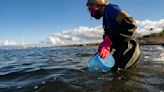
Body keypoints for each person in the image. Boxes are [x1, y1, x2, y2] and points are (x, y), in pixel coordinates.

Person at [86, 0, 140, 72]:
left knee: (119, 73)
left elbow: (130, 24)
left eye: (90, 9)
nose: (91, 13)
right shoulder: (105, 19)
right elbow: (113, 36)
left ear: (96, 5)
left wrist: (108, 41)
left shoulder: (110, 9)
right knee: (113, 71)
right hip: (120, 47)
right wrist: (104, 50)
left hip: (129, 47)